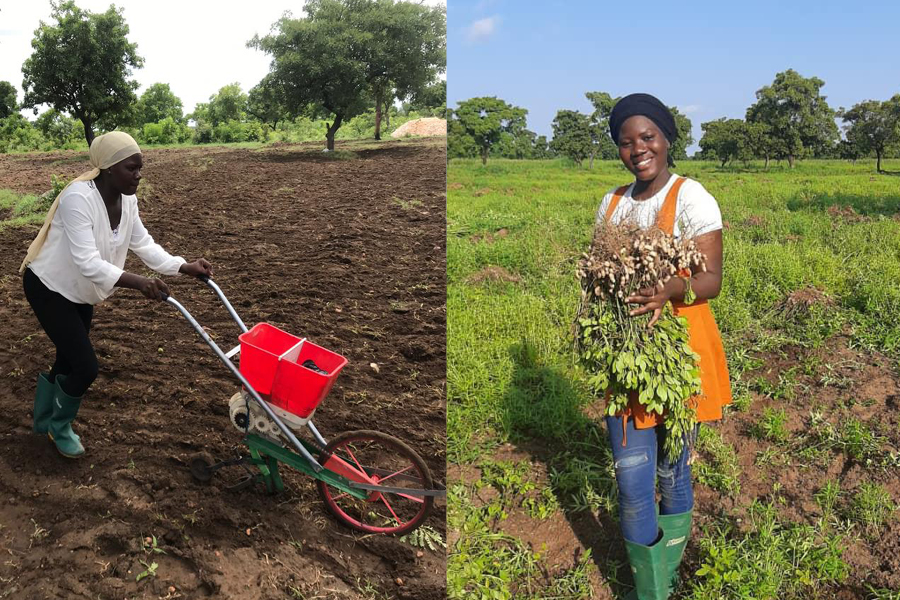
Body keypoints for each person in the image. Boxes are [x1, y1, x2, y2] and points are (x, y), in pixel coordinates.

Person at [594, 94, 732, 600]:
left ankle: (668, 577)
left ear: (667, 138)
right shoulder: (610, 204)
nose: (638, 149)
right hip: (628, 362)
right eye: (626, 142)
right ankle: (648, 589)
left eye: (647, 137)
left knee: (674, 469)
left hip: (680, 357)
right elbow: (601, 278)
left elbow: (712, 280)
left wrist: (669, 289)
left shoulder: (692, 197)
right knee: (632, 483)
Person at [20, 131, 212, 459]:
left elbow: (144, 245)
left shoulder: (128, 201)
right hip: (50, 287)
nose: (139, 174)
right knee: (85, 366)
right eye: (131, 168)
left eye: (140, 167)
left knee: (67, 358)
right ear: (109, 168)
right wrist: (139, 282)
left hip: (81, 291)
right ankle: (59, 426)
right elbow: (87, 261)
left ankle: (43, 421)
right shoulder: (78, 198)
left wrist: (184, 267)